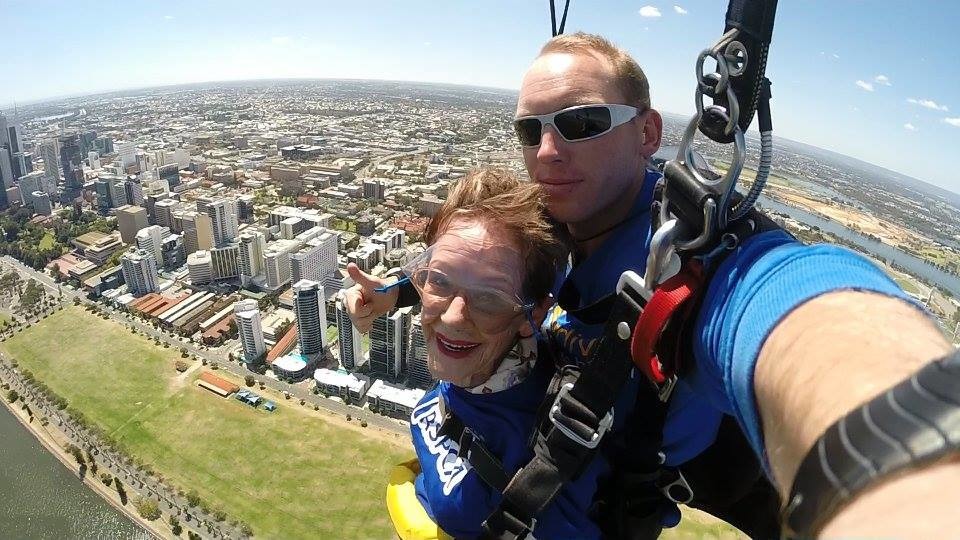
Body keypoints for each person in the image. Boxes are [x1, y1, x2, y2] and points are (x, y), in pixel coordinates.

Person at [352, 33, 958, 537]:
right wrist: (399, 293)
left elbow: (787, 302)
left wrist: (908, 453)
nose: (547, 151)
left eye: (580, 122)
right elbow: (484, 268)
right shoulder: (561, 221)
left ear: (646, 133)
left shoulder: (687, 255)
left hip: (711, 476)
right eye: (530, 130)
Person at [354, 169, 603, 538]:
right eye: (438, 280)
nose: (453, 319)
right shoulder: (485, 366)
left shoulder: (539, 460)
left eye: (489, 299)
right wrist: (393, 294)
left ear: (533, 314)